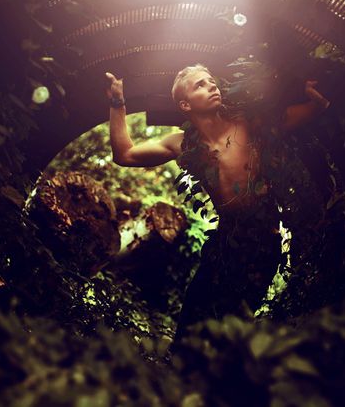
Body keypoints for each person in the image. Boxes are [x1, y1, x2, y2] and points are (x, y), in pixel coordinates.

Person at [105, 63, 331, 348]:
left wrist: (314, 97)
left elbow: (307, 112)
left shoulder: (248, 125)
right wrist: (117, 102)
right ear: (185, 104)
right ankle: (179, 380)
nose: (211, 86)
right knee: (192, 321)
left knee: (232, 330)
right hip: (224, 240)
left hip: (262, 242)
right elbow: (124, 154)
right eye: (200, 84)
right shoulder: (183, 144)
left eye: (211, 81)